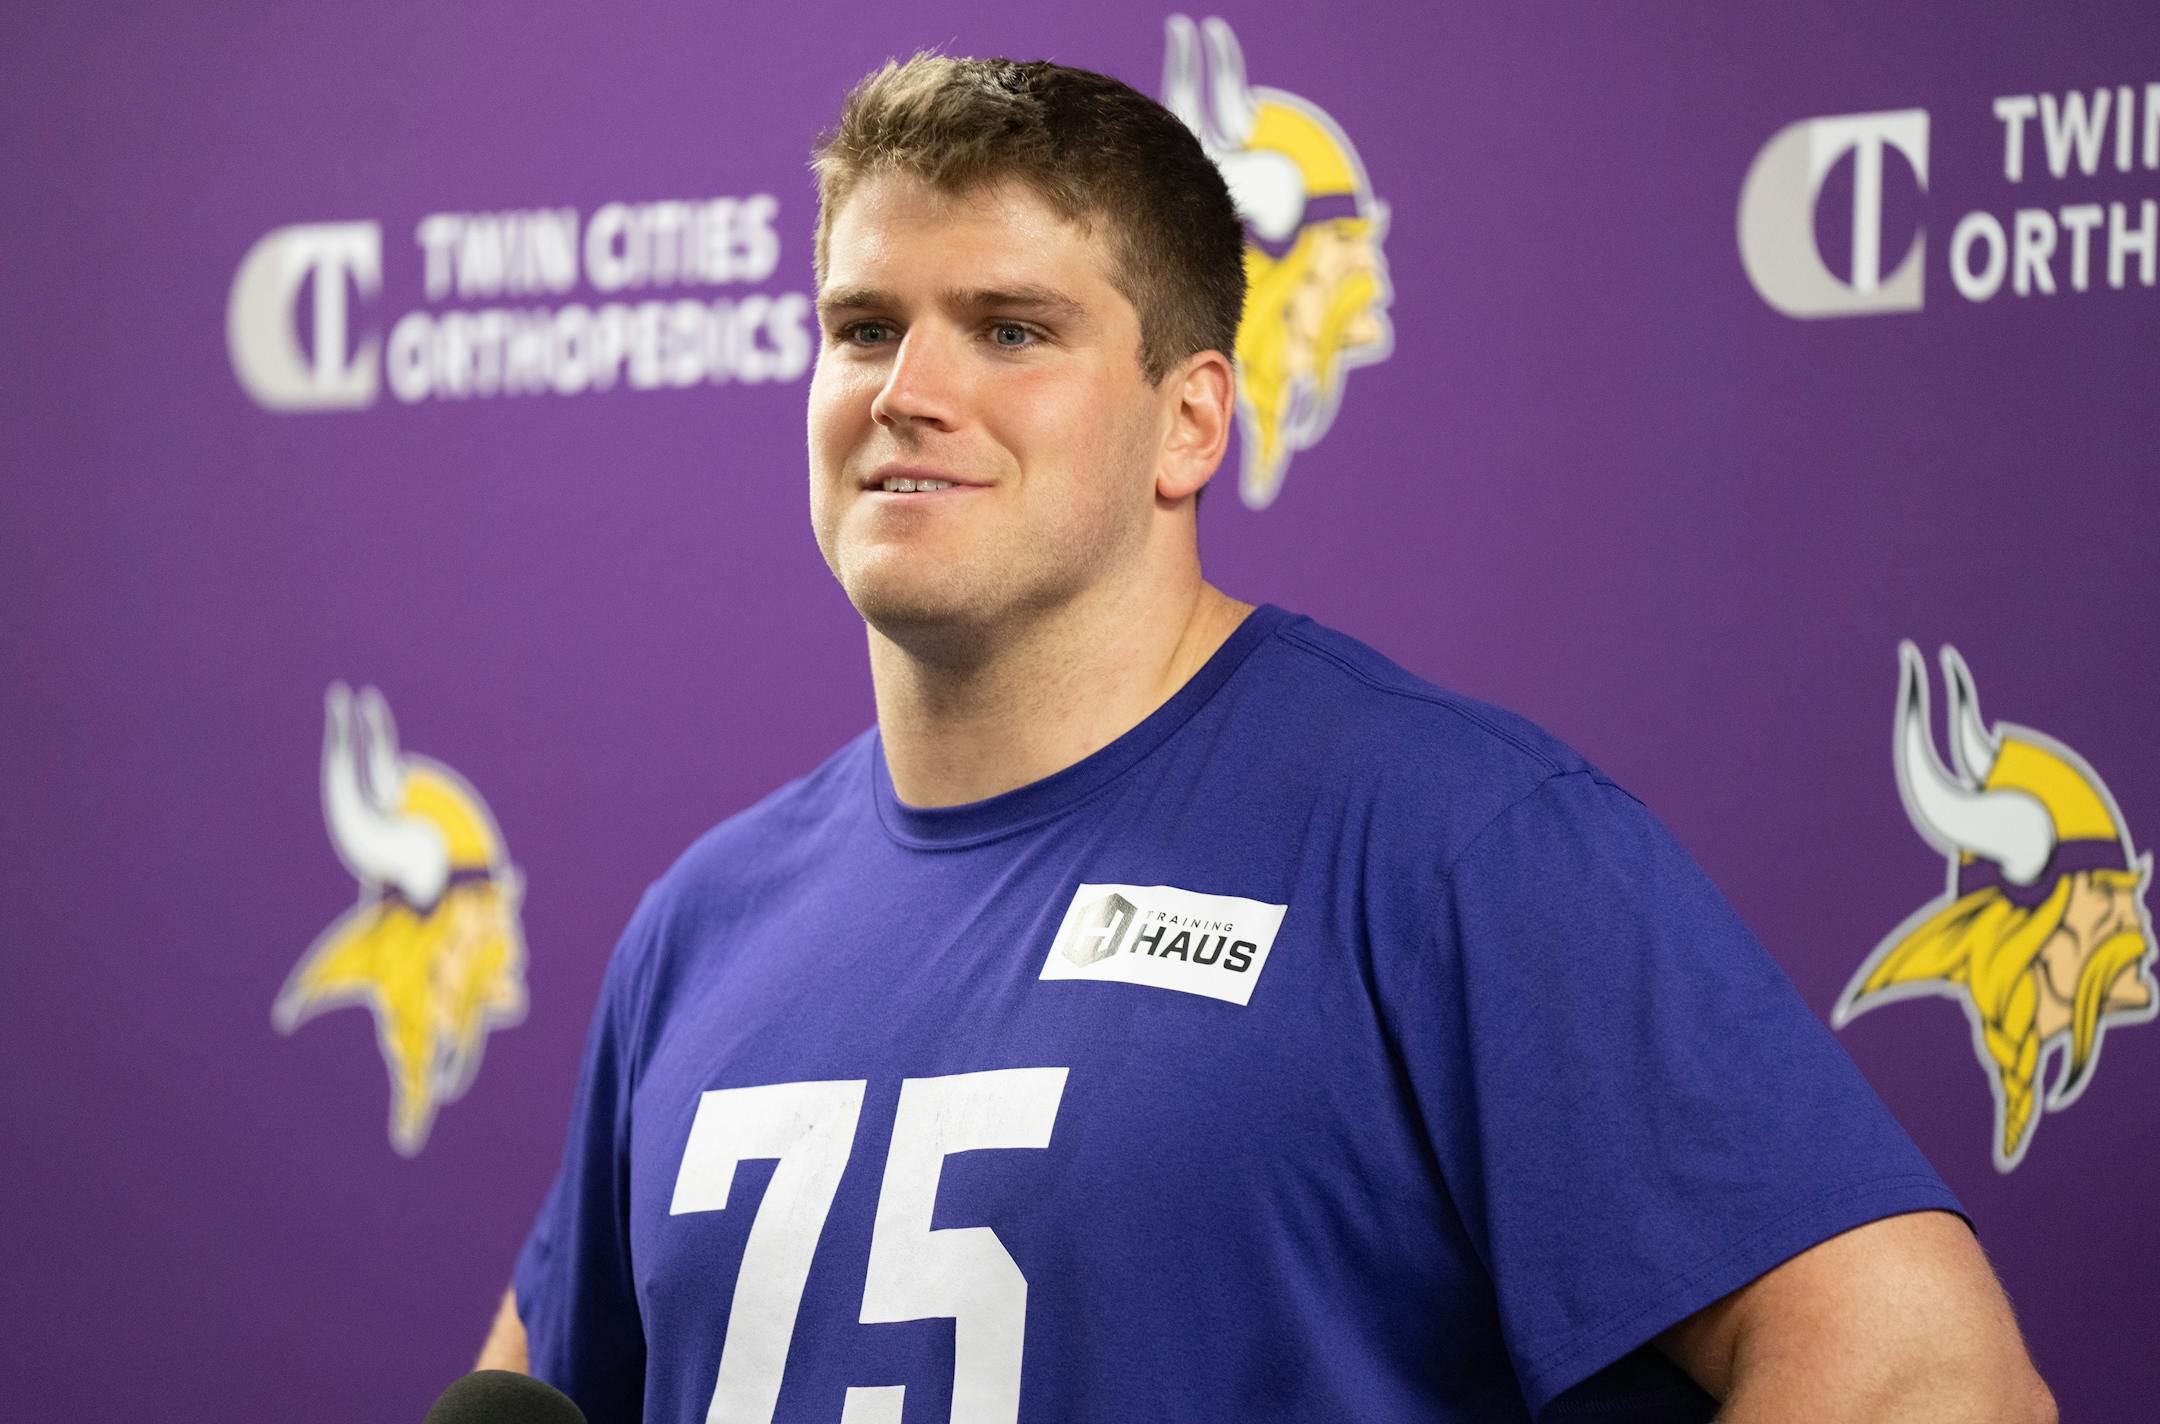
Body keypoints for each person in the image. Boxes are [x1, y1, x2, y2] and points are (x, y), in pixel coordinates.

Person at [477, 54, 2056, 1423]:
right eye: (863, 326)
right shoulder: (702, 925)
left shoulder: (1450, 843)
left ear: (1191, 421)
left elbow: (1928, 1377)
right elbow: (531, 1393)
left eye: (1011, 329)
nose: (908, 389)